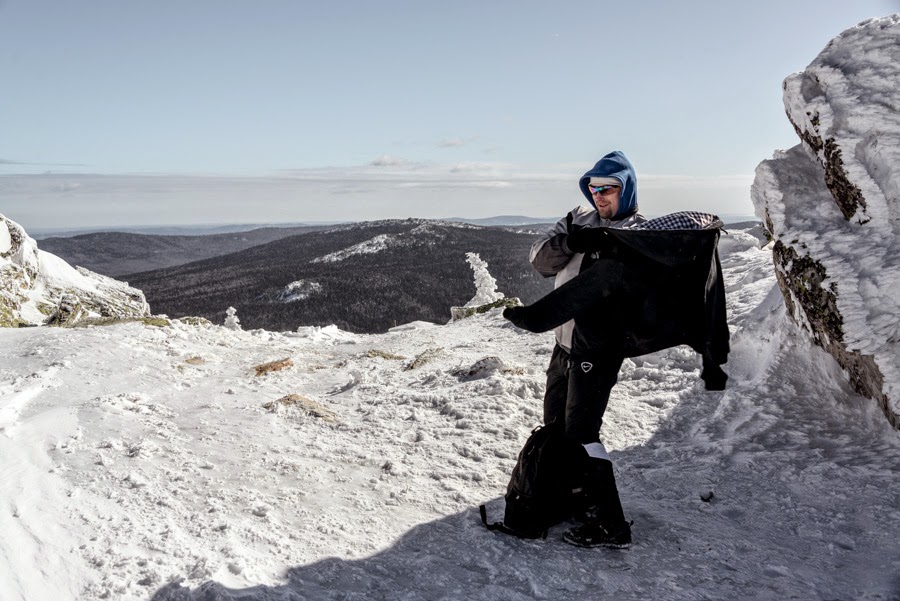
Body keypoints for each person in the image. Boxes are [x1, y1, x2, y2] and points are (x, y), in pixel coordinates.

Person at [527, 150, 645, 548]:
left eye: (608, 189)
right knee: (556, 425)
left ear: (624, 189)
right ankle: (572, 498)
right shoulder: (577, 218)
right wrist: (570, 240)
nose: (599, 197)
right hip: (563, 343)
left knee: (582, 431)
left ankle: (611, 524)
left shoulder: (640, 231)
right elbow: (540, 261)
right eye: (593, 188)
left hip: (598, 348)